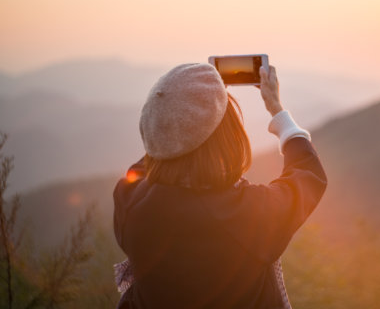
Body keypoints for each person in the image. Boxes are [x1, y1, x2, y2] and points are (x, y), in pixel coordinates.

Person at [113, 63, 327, 308]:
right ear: (229, 136)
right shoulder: (250, 214)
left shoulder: (130, 203)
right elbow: (309, 175)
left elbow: (150, 160)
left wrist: (180, 112)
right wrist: (277, 110)